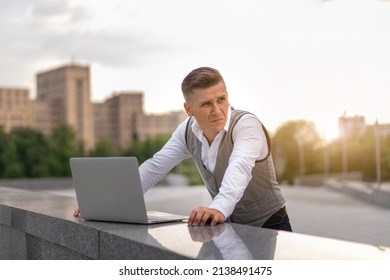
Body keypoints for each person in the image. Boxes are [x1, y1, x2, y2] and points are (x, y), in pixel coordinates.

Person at [75, 66, 292, 231]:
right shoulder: (186, 131)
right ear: (189, 109)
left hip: (270, 224)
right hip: (228, 226)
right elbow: (154, 168)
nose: (217, 110)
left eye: (221, 99)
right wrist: (106, 204)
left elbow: (240, 168)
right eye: (206, 104)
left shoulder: (246, 125)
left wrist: (218, 208)